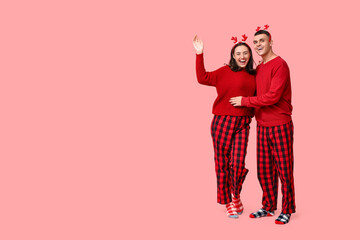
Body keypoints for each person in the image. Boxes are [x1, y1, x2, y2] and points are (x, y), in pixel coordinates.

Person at [229, 26, 296, 224]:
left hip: (280, 124)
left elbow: (273, 96)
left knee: (284, 169)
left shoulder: (280, 64)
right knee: (265, 169)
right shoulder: (259, 67)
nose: (258, 44)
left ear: (270, 42)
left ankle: (287, 209)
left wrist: (244, 102)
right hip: (262, 125)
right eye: (256, 42)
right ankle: (268, 207)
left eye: (262, 41)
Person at [193, 34, 256, 218]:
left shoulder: (254, 75)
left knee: (237, 163)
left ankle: (235, 194)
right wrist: (199, 53)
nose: (242, 56)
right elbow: (202, 77)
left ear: (249, 56)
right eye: (238, 53)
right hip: (222, 122)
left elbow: (258, 98)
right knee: (222, 163)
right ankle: (228, 201)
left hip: (243, 122)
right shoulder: (224, 71)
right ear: (233, 56)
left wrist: (245, 102)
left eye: (245, 53)